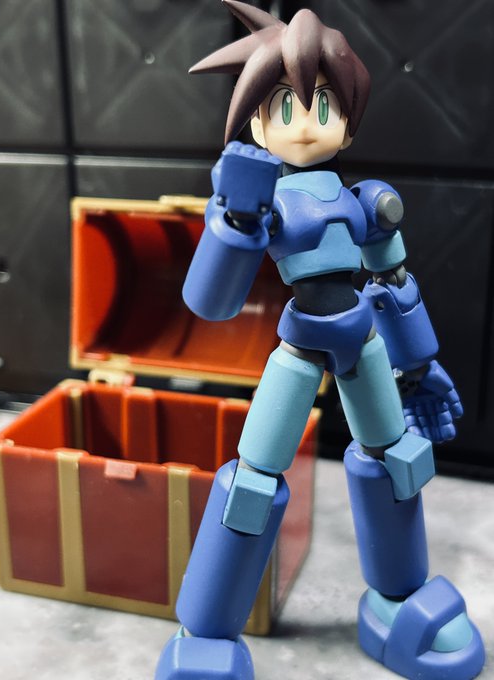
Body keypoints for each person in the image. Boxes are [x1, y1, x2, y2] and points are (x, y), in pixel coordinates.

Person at [156, 2, 485, 678]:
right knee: (252, 484)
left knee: (395, 462)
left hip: (363, 342)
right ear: (253, 121)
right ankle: (207, 632)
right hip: (301, 350)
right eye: (283, 106)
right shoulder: (266, 207)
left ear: (348, 115)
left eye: (322, 104)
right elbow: (211, 303)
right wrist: (233, 224)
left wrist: (421, 364)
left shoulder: (365, 201)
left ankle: (398, 601)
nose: (304, 122)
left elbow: (394, 280)